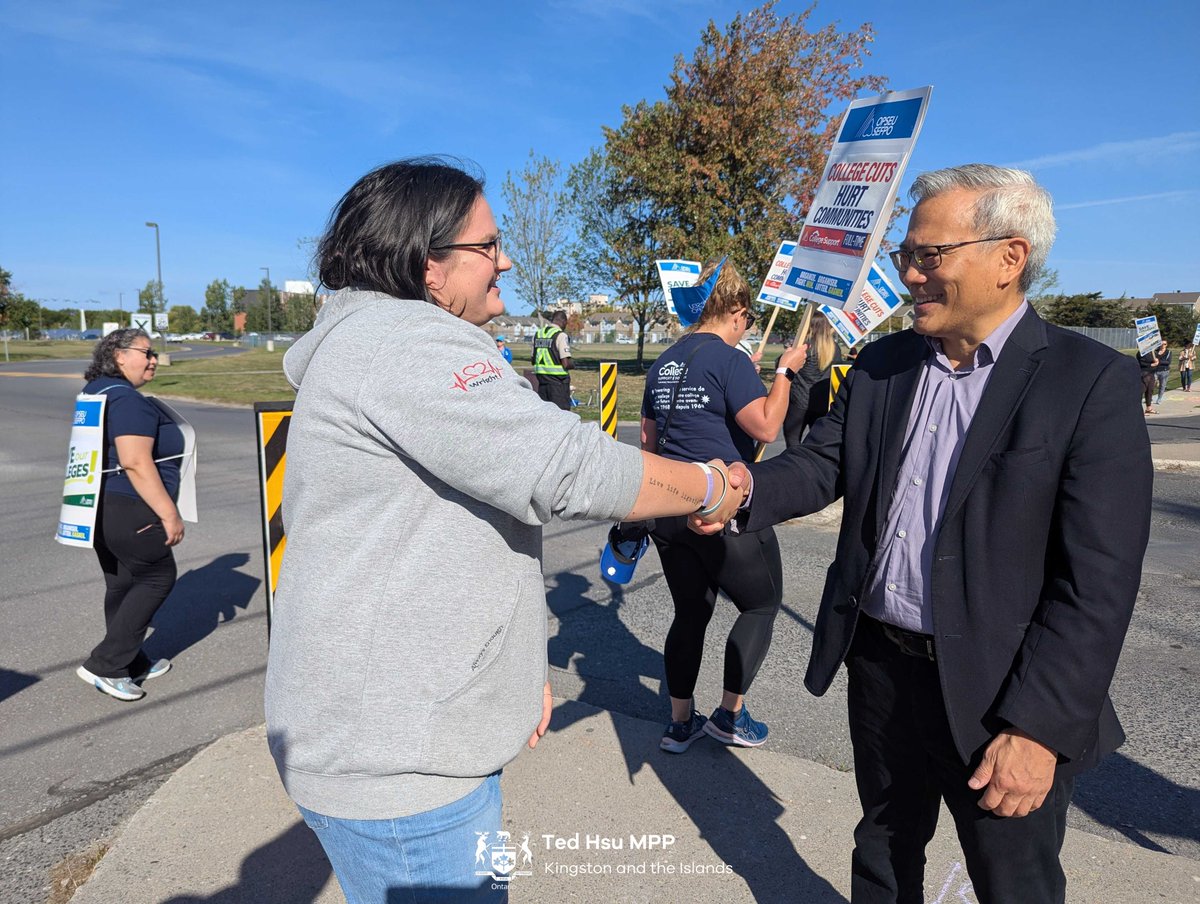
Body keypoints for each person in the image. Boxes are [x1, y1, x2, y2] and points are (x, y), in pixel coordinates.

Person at [263, 157, 743, 903]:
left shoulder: (376, 343)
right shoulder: (407, 344)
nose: (506, 261)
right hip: (401, 763)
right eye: (487, 246)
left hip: (396, 731)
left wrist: (514, 677)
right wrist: (712, 485)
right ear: (429, 267)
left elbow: (446, 542)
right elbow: (565, 469)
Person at [698, 164, 1152, 903]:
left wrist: (1037, 729)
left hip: (1000, 692)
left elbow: (1097, 583)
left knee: (1012, 882)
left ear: (1009, 257)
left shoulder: (1088, 381)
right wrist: (738, 489)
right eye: (904, 255)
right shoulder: (884, 364)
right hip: (882, 667)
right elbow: (822, 463)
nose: (909, 274)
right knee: (882, 849)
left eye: (928, 255)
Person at [641, 259, 807, 753]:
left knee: (690, 613)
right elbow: (767, 426)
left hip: (668, 508)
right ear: (735, 311)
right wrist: (784, 372)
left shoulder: (663, 363)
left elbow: (648, 444)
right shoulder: (728, 360)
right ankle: (730, 716)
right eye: (748, 319)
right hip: (719, 504)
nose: (747, 328)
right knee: (762, 604)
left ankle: (679, 723)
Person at [76, 328, 182, 702]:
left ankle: (130, 660)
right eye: (146, 352)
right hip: (130, 505)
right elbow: (135, 461)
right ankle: (106, 664)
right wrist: (169, 513)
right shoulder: (127, 400)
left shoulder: (97, 392)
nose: (153, 359)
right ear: (119, 355)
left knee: (122, 582)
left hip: (98, 502)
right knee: (157, 575)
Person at [781, 313, 843, 449]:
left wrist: (786, 354)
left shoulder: (804, 347)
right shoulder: (835, 348)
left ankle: (795, 462)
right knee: (817, 443)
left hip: (799, 400)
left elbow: (782, 367)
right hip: (822, 402)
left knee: (792, 439)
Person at [531, 310, 573, 409]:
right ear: (564, 321)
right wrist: (573, 364)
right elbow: (565, 363)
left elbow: (533, 360)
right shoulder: (560, 335)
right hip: (558, 382)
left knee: (546, 413)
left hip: (542, 381)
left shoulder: (538, 334)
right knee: (561, 413)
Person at [1137, 341, 1162, 413]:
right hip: (1144, 373)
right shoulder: (1141, 353)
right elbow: (1141, 363)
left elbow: (1158, 360)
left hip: (1152, 373)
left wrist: (1157, 361)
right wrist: (1151, 365)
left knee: (1150, 390)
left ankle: (1149, 408)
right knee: (1142, 390)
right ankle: (1137, 408)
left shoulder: (1153, 352)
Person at [1152, 338, 1172, 406]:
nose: (1163, 345)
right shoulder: (1155, 351)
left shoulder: (1168, 352)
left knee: (1162, 385)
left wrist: (1159, 361)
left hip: (1164, 371)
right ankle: (1149, 397)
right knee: (1152, 384)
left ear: (1166, 345)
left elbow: (1168, 362)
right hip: (1155, 370)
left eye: (1164, 344)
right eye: (1161, 344)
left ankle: (1159, 399)